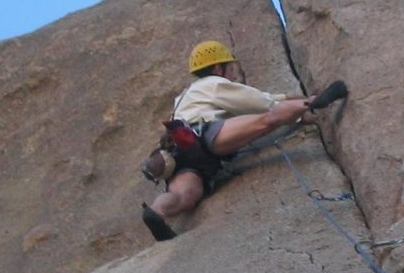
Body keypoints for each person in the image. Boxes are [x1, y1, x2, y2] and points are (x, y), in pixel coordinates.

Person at [141, 40, 347, 241]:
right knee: (268, 120)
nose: (233, 75)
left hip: (182, 153)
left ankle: (157, 211)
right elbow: (262, 103)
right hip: (203, 136)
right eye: (230, 69)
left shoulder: (186, 96)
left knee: (185, 197)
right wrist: (301, 112)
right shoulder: (215, 84)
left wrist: (288, 99)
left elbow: (269, 98)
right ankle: (313, 103)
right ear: (218, 68)